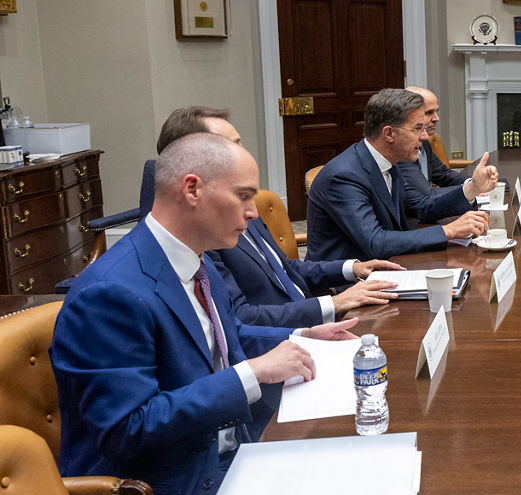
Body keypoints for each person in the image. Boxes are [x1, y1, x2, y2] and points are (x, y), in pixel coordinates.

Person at [51, 133, 358, 495]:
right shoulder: (110, 293)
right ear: (192, 189)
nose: (253, 212)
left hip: (233, 451)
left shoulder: (198, 262)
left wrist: (300, 337)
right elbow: (127, 428)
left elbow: (225, 337)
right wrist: (251, 373)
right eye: (243, 196)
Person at [156, 105, 403, 328]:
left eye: (239, 143)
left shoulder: (241, 208)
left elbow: (283, 269)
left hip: (312, 318)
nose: (243, 152)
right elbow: (241, 318)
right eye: (230, 146)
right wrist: (334, 304)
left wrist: (353, 267)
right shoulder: (198, 233)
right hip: (285, 335)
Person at [306, 88, 494, 261]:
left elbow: (421, 206)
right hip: (346, 284)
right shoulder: (344, 176)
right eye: (417, 128)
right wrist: (448, 231)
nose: (425, 136)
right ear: (389, 134)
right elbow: (375, 242)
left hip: (388, 265)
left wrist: (472, 188)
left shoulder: (389, 162)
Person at [401, 85, 468, 190]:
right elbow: (421, 197)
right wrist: (468, 191)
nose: (436, 118)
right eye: (429, 113)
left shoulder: (425, 142)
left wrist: (472, 183)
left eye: (436, 112)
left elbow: (442, 174)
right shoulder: (401, 150)